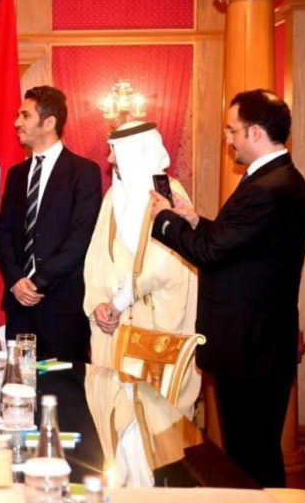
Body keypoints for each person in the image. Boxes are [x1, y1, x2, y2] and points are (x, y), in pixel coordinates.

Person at [150, 89, 305, 487]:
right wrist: (194, 220)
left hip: (250, 345)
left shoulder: (268, 188)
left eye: (232, 130)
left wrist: (166, 220)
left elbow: (212, 253)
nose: (228, 139)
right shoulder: (276, 178)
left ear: (255, 132)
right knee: (251, 452)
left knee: (250, 457)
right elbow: (237, 242)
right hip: (256, 343)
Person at [83, 122, 200, 487]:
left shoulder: (169, 194)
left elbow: (166, 265)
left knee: (155, 431)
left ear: (134, 152)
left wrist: (119, 301)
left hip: (154, 334)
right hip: (116, 334)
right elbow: (95, 259)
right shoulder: (112, 199)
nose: (108, 158)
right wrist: (100, 304)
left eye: (114, 150)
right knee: (118, 426)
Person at [0, 85, 102, 362]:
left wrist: (37, 282)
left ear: (49, 122)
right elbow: (3, 233)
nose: (16, 123)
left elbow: (80, 237)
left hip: (62, 306)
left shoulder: (83, 172)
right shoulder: (16, 174)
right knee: (18, 383)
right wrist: (16, 280)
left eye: (25, 115)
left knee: (65, 385)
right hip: (19, 306)